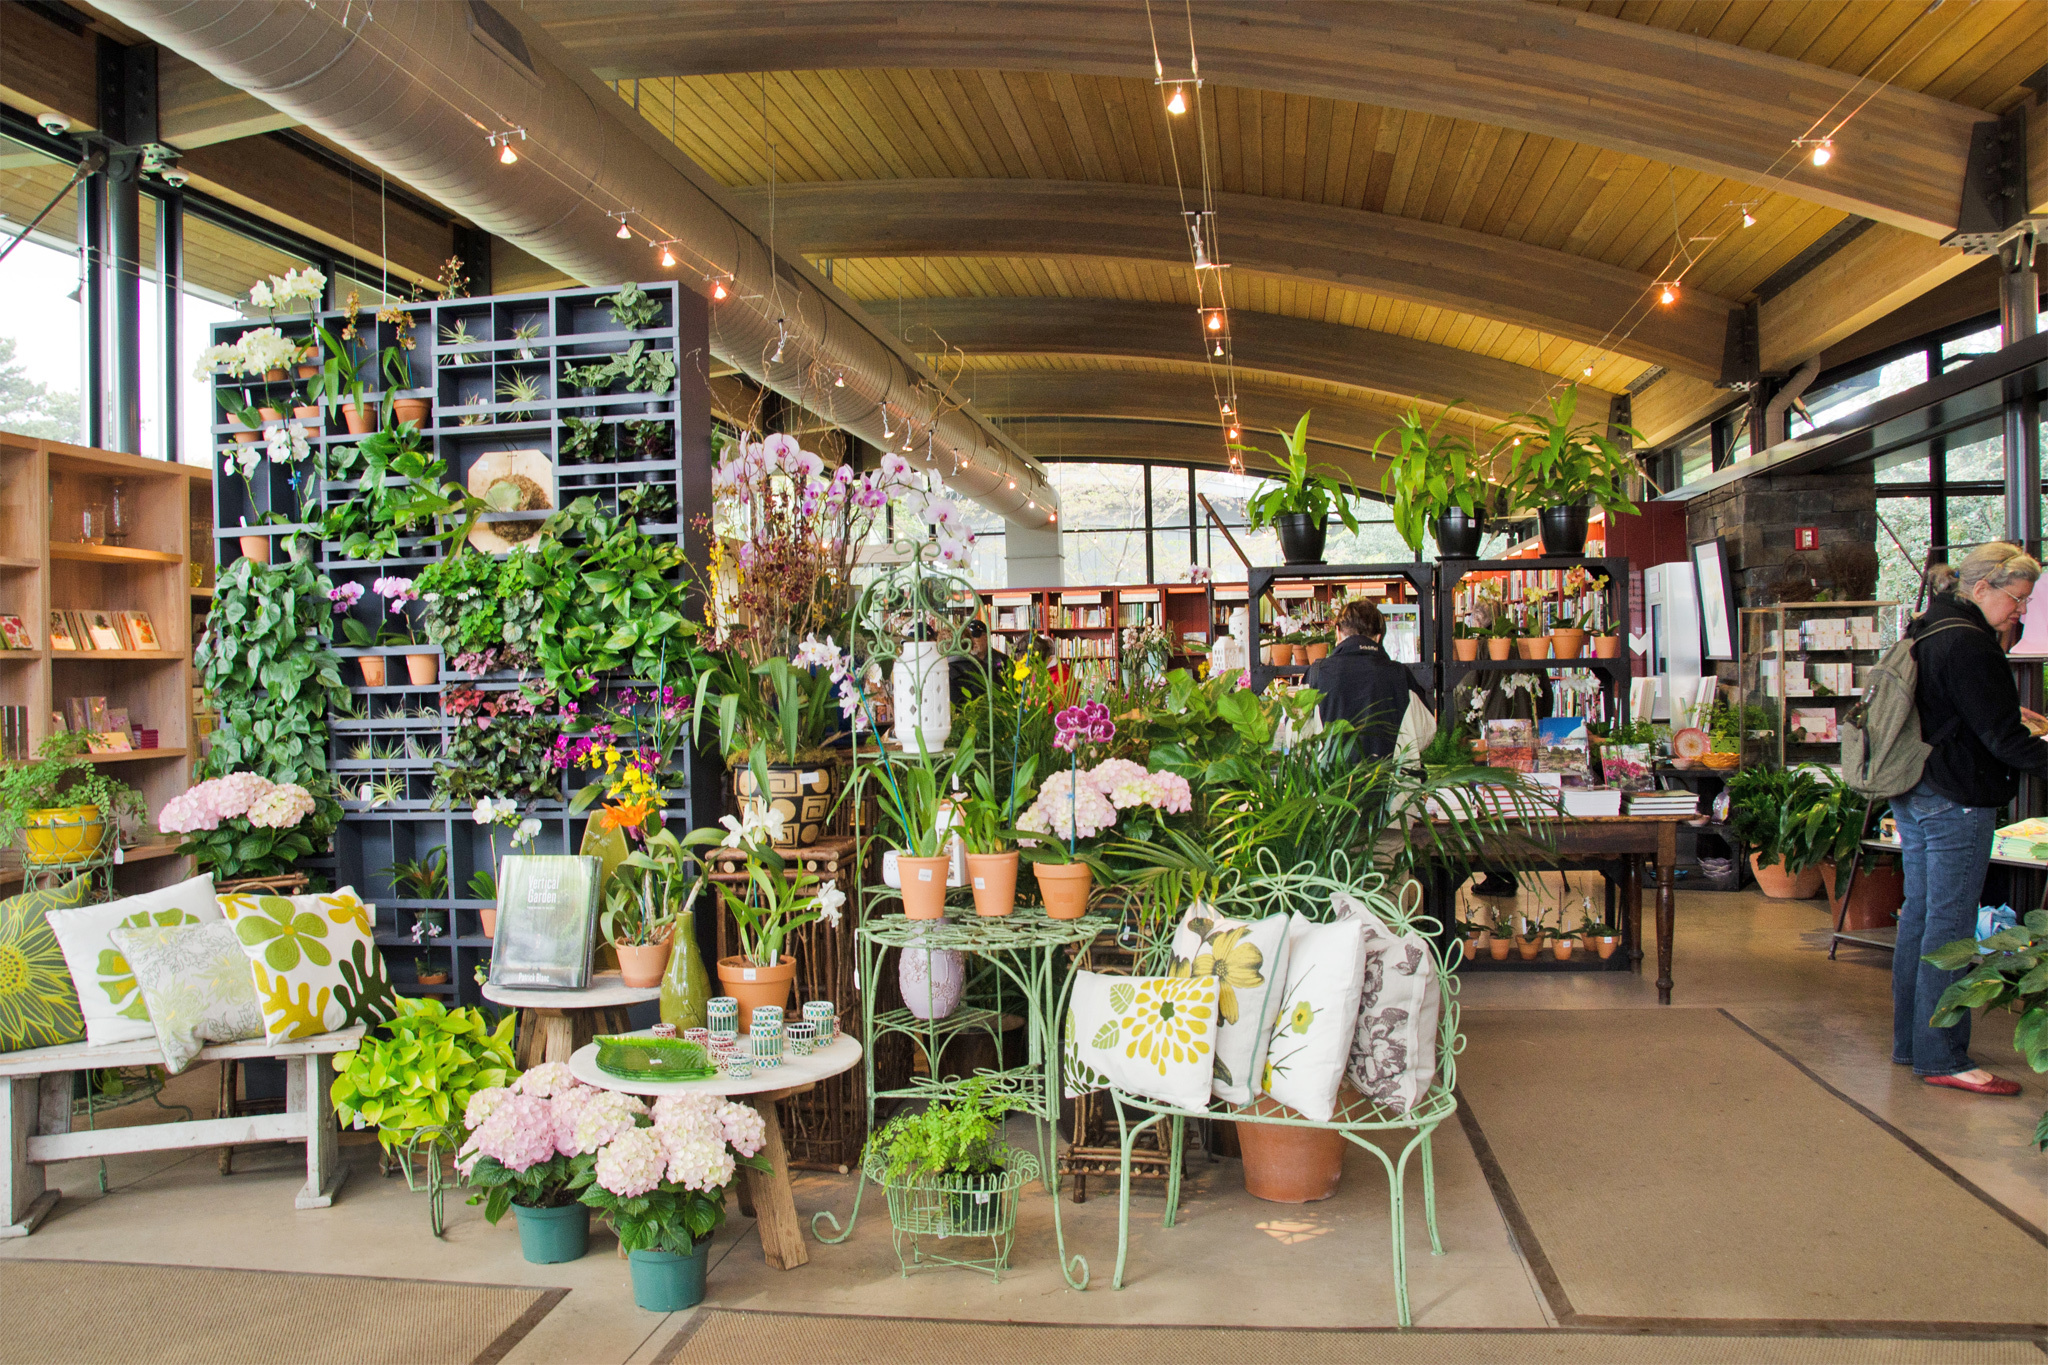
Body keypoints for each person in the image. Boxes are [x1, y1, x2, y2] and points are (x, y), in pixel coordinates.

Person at [1892, 542, 2047, 1096]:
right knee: (1950, 928)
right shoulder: (1971, 644)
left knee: (1921, 916)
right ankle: (1942, 1056)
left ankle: (1913, 1043)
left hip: (1915, 789)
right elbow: (2003, 741)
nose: (2021, 612)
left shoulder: (1928, 625)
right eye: (2017, 600)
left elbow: (1953, 710)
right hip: (1957, 796)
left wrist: (2006, 716)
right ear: (1981, 588)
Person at [1302, 599, 1428, 761]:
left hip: (1329, 783)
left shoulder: (1317, 673)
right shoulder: (1400, 675)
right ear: (1378, 637)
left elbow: (1297, 735)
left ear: (1338, 632)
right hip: (1392, 781)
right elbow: (1425, 732)